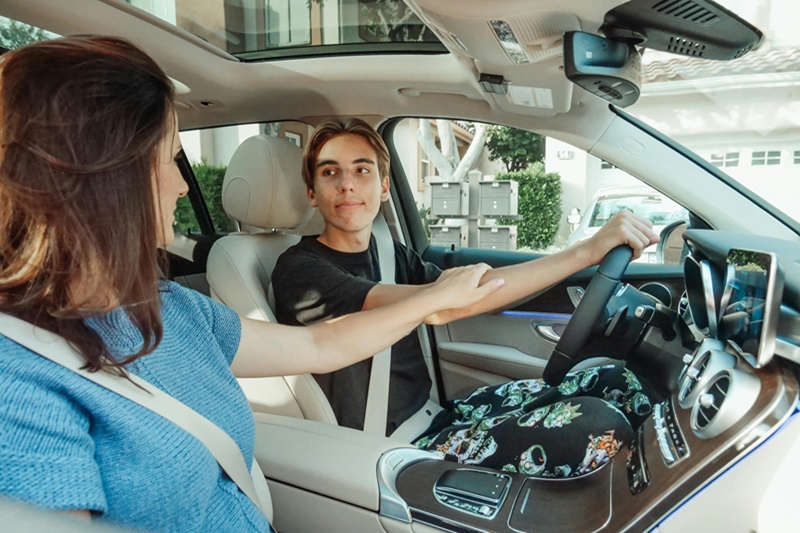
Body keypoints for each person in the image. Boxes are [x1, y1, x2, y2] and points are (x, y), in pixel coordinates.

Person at [0, 37, 504, 532]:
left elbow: (319, 342)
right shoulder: (19, 379)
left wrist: (434, 297)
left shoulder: (171, 308)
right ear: (110, 175)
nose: (181, 183)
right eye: (169, 159)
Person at [272, 118, 659, 476]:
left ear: (384, 185)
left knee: (617, 380)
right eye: (329, 172)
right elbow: (440, 306)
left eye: (362, 169)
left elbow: (478, 292)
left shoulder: (390, 252)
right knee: (597, 426)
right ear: (311, 191)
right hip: (393, 446)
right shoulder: (300, 270)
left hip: (438, 415)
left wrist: (582, 257)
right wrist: (585, 252)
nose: (347, 184)